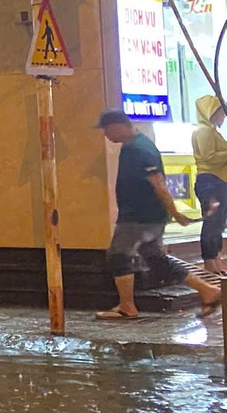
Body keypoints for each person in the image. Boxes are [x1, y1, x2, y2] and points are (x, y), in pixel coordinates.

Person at [96, 108, 217, 319]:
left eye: (106, 129)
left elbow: (159, 185)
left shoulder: (140, 149)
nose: (105, 134)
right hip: (143, 216)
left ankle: (127, 306)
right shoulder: (133, 145)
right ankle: (208, 291)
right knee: (155, 259)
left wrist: (176, 213)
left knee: (118, 256)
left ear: (118, 126)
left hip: (140, 217)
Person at [194, 95, 227, 275]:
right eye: (220, 112)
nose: (223, 116)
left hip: (219, 181)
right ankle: (209, 262)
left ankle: (216, 260)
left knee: (219, 223)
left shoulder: (213, 132)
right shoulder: (204, 132)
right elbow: (209, 157)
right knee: (212, 223)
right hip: (210, 182)